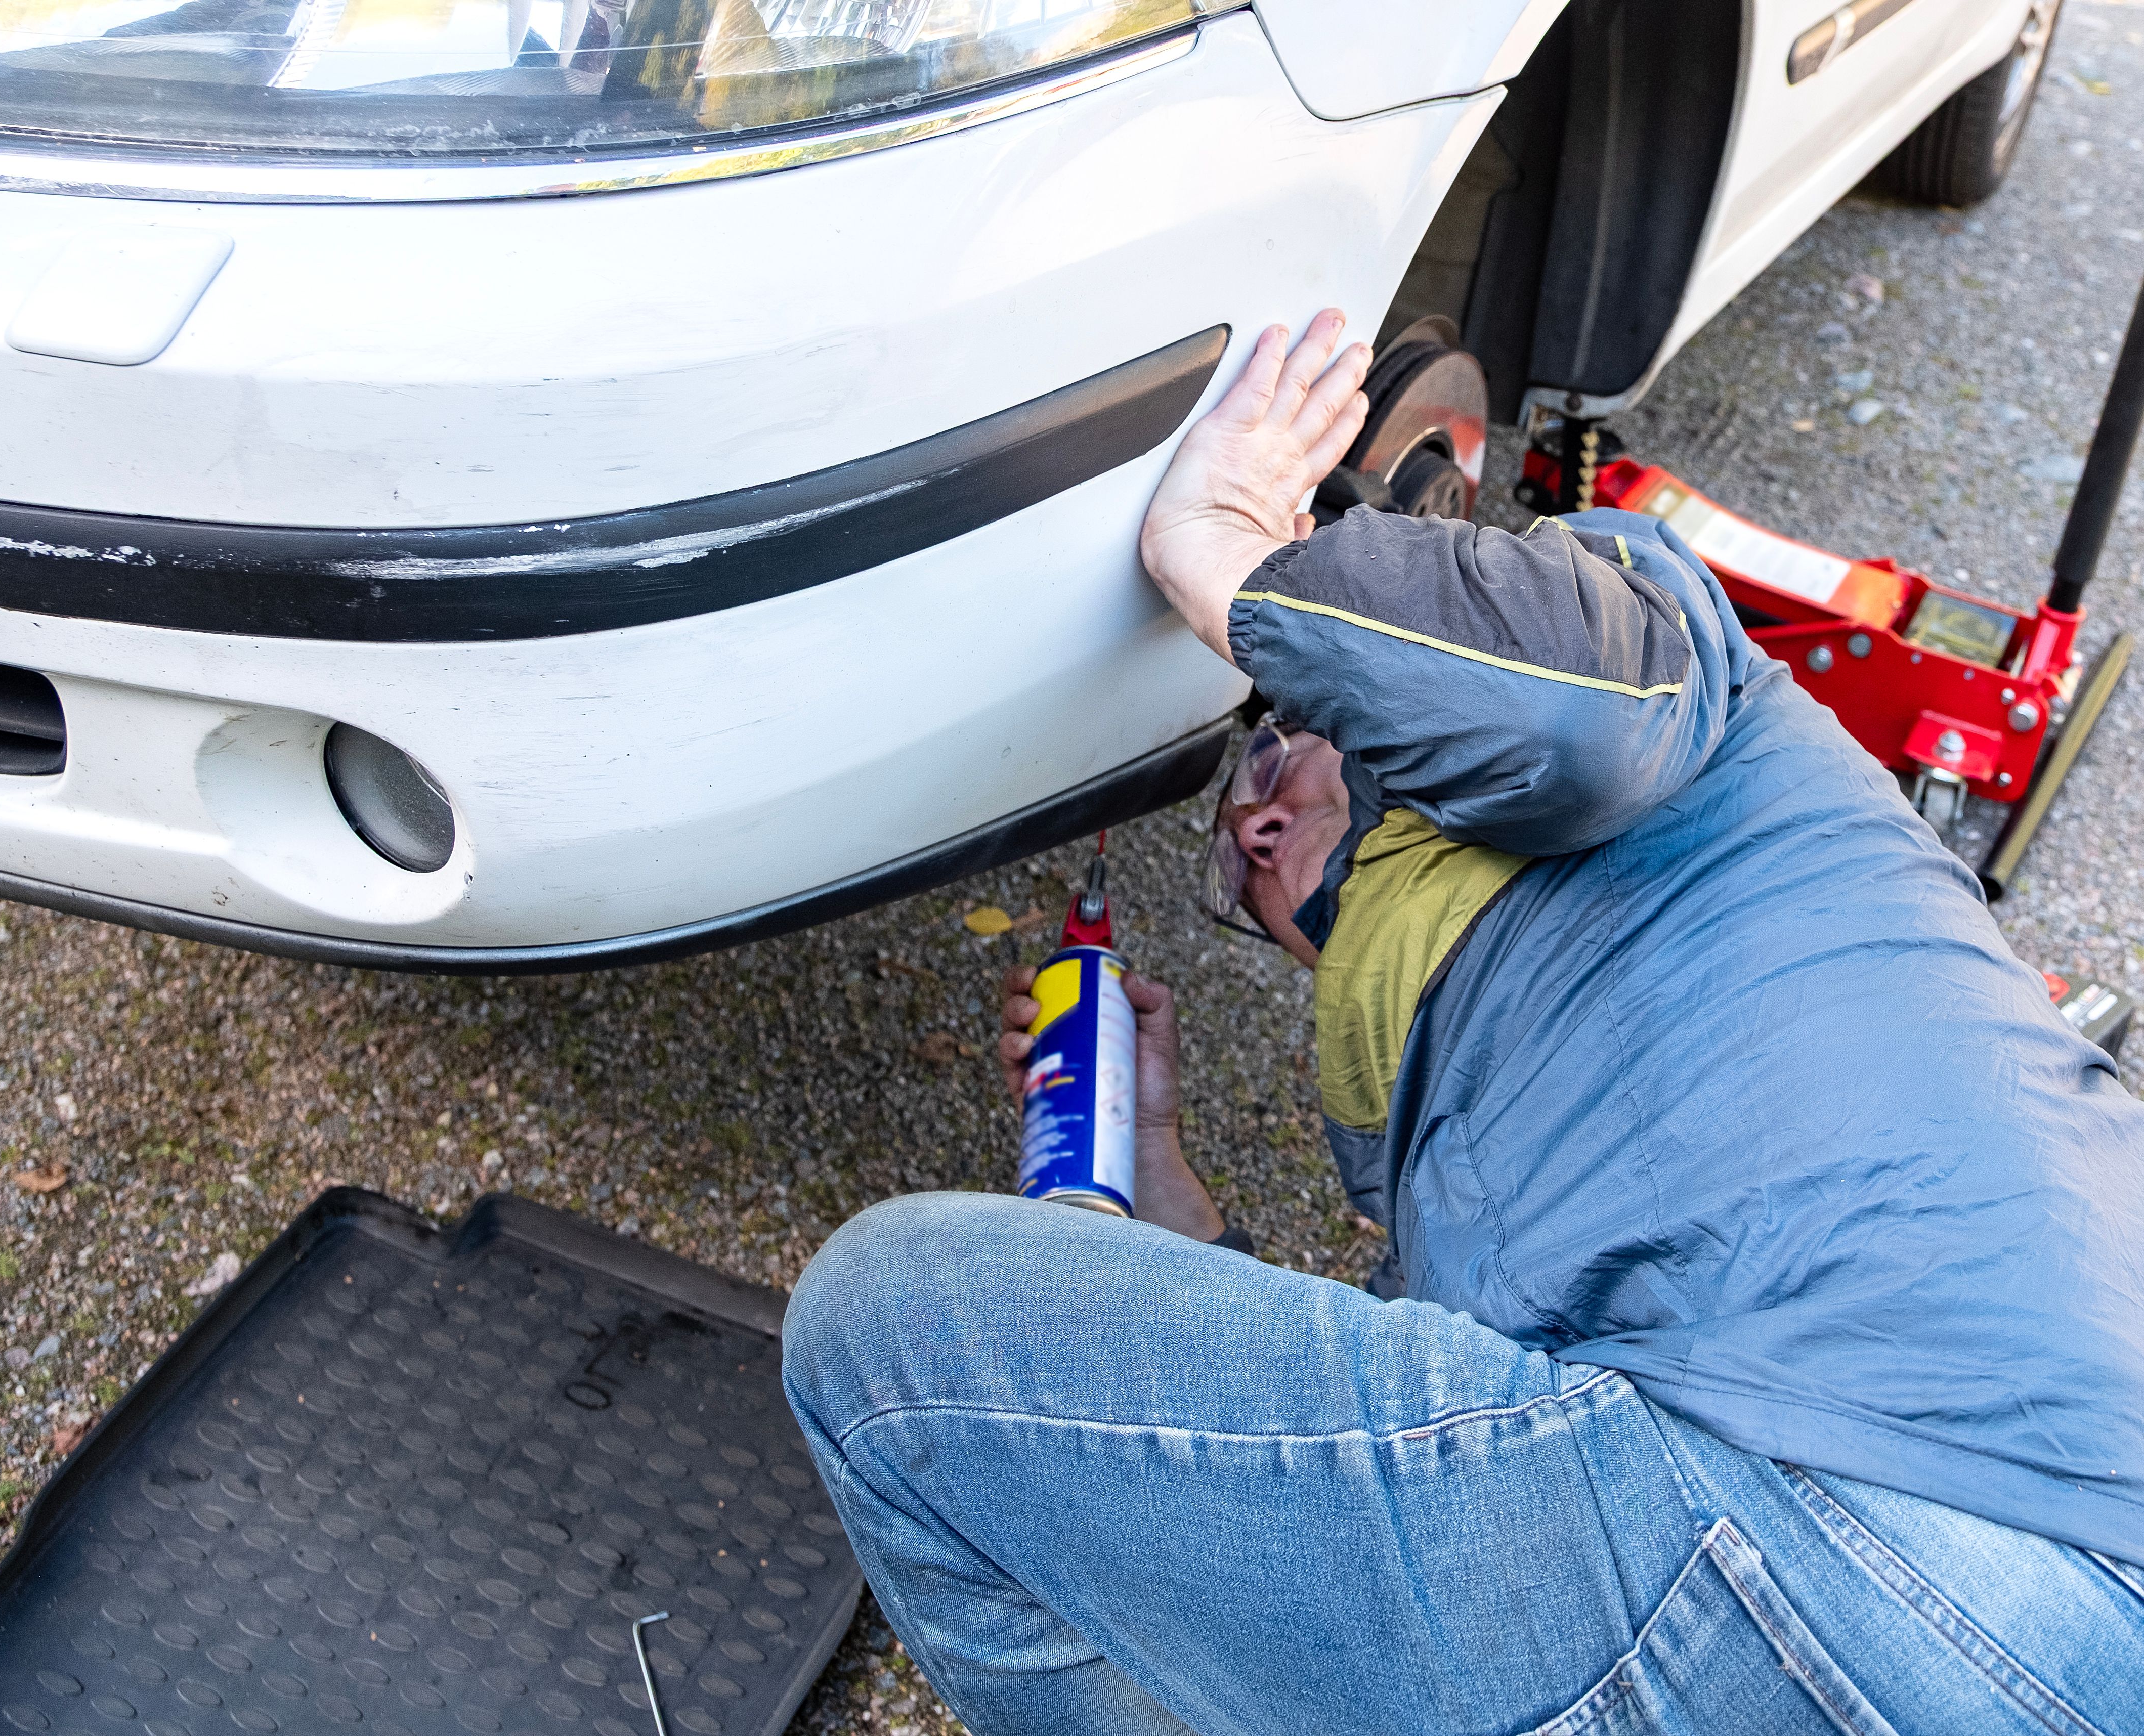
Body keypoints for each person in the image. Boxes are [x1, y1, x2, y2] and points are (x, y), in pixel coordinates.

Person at [780, 312, 2144, 1734]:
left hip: (1939, 1536)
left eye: (1272, 751)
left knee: (898, 1342)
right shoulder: (1522, 1131)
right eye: (1246, 889)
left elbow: (1569, 725)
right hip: (1870, 1552)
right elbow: (1357, 1487)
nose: (1250, 835)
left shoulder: (1686, 685)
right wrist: (1165, 1178)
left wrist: (1223, 549)